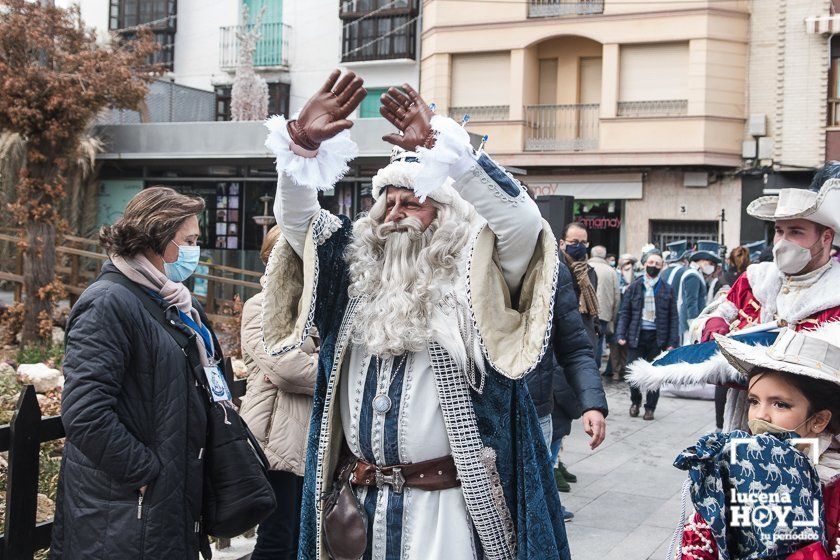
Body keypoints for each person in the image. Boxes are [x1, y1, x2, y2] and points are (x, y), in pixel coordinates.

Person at [263, 70, 587, 559]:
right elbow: (298, 227)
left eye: (412, 202)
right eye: (387, 202)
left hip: (451, 513)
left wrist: (445, 149)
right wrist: (301, 149)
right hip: (358, 508)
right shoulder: (354, 280)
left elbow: (522, 224)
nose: (395, 213)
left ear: (447, 215)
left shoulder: (476, 279)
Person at [51, 187, 214, 559]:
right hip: (124, 512)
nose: (194, 251)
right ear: (159, 236)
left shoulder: (169, 300)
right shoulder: (107, 302)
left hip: (164, 503)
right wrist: (147, 475)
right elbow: (85, 414)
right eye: (188, 240)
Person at [676, 323, 840, 559]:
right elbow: (697, 546)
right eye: (753, 401)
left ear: (819, 419)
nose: (760, 416)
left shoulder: (834, 489)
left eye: (780, 404)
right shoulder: (727, 469)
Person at [239, 225, 319, 560]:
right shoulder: (260, 308)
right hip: (276, 442)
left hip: (312, 443)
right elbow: (286, 370)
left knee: (306, 539)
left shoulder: (316, 310)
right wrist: (327, 367)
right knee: (277, 538)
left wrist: (310, 361)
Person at [616, 249, 679, 420]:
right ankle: (635, 401)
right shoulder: (635, 287)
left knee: (654, 375)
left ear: (662, 266)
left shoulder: (667, 289)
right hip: (637, 336)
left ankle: (650, 407)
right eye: (651, 263)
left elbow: (674, 317)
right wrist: (621, 333)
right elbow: (625, 313)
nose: (653, 266)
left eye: (657, 264)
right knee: (633, 372)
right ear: (644, 264)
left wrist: (673, 341)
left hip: (658, 338)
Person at [561, 221, 600, 352]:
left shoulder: (590, 272)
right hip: (561, 345)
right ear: (562, 244)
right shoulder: (554, 270)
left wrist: (595, 330)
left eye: (584, 243)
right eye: (574, 242)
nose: (580, 246)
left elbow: (593, 307)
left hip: (586, 341)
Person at [589, 245, 620, 373]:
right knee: (599, 341)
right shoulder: (611, 271)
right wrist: (613, 315)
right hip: (604, 314)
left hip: (586, 313)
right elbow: (616, 296)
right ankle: (595, 370)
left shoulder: (583, 267)